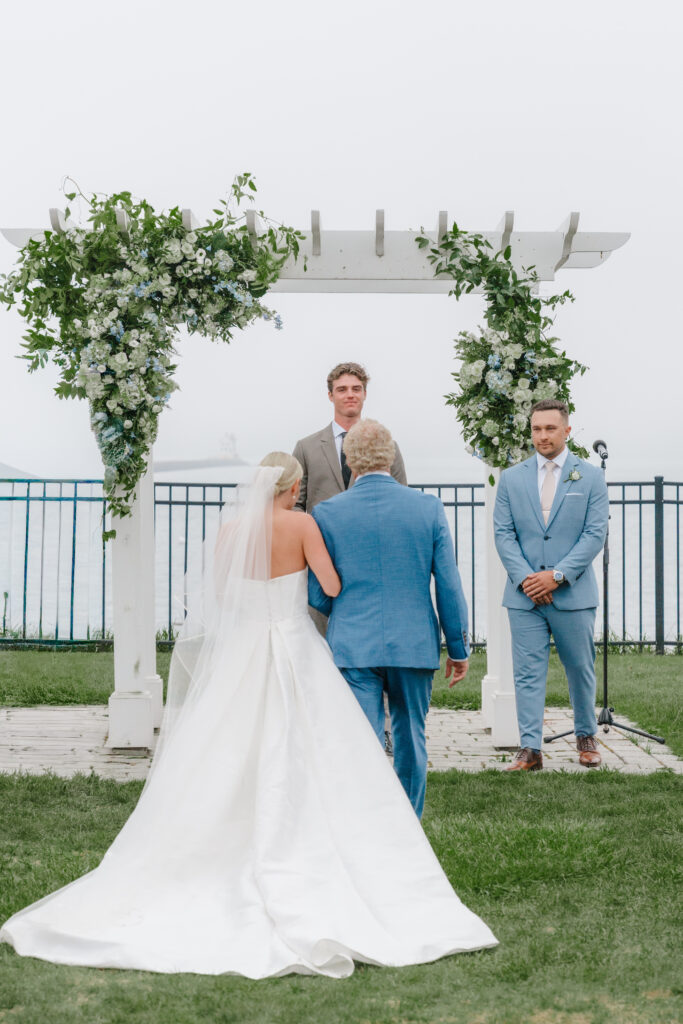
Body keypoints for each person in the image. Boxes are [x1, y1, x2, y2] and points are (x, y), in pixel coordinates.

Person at [0, 453, 497, 977]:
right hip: (294, 645)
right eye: (300, 485)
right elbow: (329, 587)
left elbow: (220, 594)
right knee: (321, 746)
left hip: (244, 650)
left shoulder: (232, 529)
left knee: (228, 744)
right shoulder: (303, 523)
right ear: (293, 486)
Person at [308, 421, 471, 818]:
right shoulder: (428, 508)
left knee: (361, 738)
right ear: (392, 456)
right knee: (411, 736)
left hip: (354, 643)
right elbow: (448, 584)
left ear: (349, 460)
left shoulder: (327, 513)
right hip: (413, 642)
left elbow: (317, 593)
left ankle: (364, 819)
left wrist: (345, 613)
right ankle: (408, 821)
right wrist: (458, 646)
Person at [493, 399, 609, 771]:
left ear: (567, 431)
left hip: (572, 594)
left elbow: (594, 535)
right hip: (524, 595)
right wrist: (528, 579)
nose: (542, 436)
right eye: (537, 429)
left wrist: (557, 576)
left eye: (550, 428)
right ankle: (531, 749)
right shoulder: (511, 478)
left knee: (580, 667)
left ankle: (586, 736)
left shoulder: (589, 477)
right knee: (527, 672)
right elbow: (503, 533)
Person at [292, 362, 406, 514]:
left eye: (356, 389)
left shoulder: (389, 446)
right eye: (342, 390)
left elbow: (401, 498)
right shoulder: (305, 448)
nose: (350, 395)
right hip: (320, 536)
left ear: (364, 394)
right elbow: (294, 504)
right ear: (330, 396)